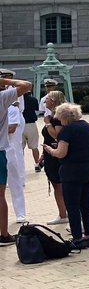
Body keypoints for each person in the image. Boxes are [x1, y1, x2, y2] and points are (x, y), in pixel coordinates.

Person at [43, 102, 89, 248]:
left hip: (72, 171)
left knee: (72, 205)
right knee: (85, 203)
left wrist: (50, 150)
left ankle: (77, 237)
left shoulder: (67, 130)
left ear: (64, 117)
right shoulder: (88, 127)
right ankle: (88, 235)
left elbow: (61, 153)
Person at [0, 73, 33, 246]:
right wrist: (6, 81)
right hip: (2, 150)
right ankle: (3, 234)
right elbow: (27, 84)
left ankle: (17, 217)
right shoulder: (4, 98)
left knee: (12, 185)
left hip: (7, 149)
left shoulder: (9, 103)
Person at [40, 91, 69, 224]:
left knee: (59, 185)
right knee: (56, 184)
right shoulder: (52, 115)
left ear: (54, 100)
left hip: (56, 154)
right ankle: (63, 213)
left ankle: (64, 214)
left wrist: (47, 123)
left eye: (48, 99)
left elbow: (57, 135)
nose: (45, 101)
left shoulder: (56, 118)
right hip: (49, 154)